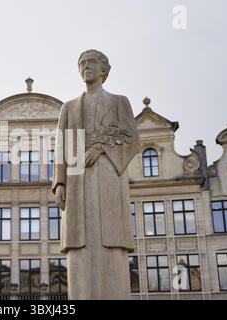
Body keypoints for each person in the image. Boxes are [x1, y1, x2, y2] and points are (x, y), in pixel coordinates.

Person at [52, 49, 140, 299]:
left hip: (109, 175)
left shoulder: (119, 101)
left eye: (91, 62)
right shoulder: (69, 107)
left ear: (104, 70)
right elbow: (62, 147)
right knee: (80, 241)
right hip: (77, 177)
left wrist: (101, 149)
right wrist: (59, 182)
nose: (85, 66)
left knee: (111, 237)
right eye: (82, 63)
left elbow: (131, 139)